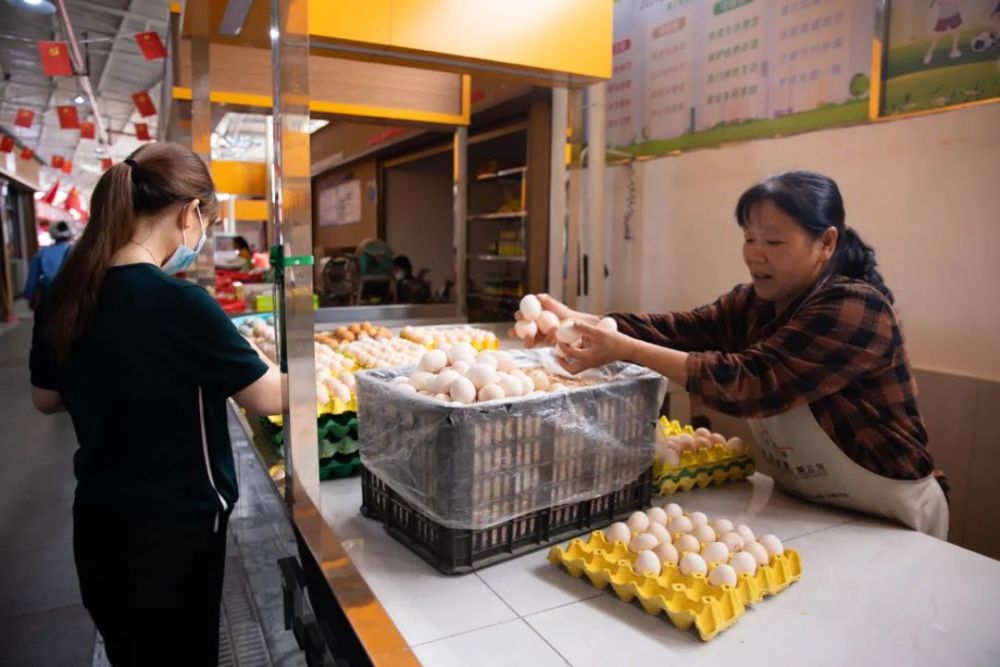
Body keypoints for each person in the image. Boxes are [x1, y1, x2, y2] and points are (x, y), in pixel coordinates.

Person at [523, 171, 949, 539]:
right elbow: (678, 331)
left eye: (774, 241)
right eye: (749, 238)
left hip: (890, 519)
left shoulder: (857, 308)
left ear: (827, 243)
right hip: (806, 505)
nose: (754, 253)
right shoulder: (754, 304)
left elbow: (753, 382)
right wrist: (581, 322)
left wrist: (622, 348)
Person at [29, 143, 284, 665]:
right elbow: (267, 396)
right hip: (175, 531)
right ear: (190, 213)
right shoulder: (179, 302)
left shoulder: (67, 293)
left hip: (100, 519)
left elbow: (46, 398)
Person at [23, 220, 74, 309]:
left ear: (51, 233)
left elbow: (32, 280)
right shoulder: (77, 252)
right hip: (70, 298)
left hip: (47, 298)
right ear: (70, 233)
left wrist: (30, 297)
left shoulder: (41, 254)